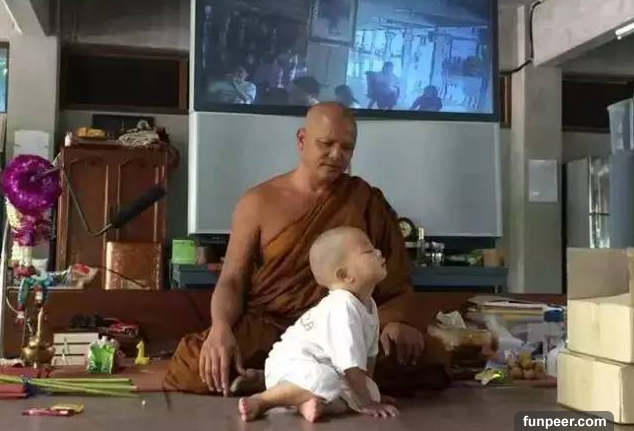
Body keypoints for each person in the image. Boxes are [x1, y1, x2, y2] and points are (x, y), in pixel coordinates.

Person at [164, 102, 450, 397]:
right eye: (326, 144)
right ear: (302, 140)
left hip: (344, 326)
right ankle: (310, 381)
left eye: (347, 148)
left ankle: (277, 380)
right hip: (272, 326)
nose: (337, 155)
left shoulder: (365, 200)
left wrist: (396, 320)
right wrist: (221, 329)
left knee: (429, 358)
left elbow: (394, 277)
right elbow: (232, 280)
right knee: (194, 365)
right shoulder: (258, 201)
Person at [238, 227, 398, 422]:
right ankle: (263, 400)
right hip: (291, 366)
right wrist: (367, 404)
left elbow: (367, 359)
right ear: (345, 275)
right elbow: (350, 367)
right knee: (327, 380)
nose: (379, 252)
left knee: (364, 389)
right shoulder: (342, 306)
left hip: (325, 372)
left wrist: (371, 394)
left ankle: (305, 403)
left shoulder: (369, 304)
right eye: (368, 251)